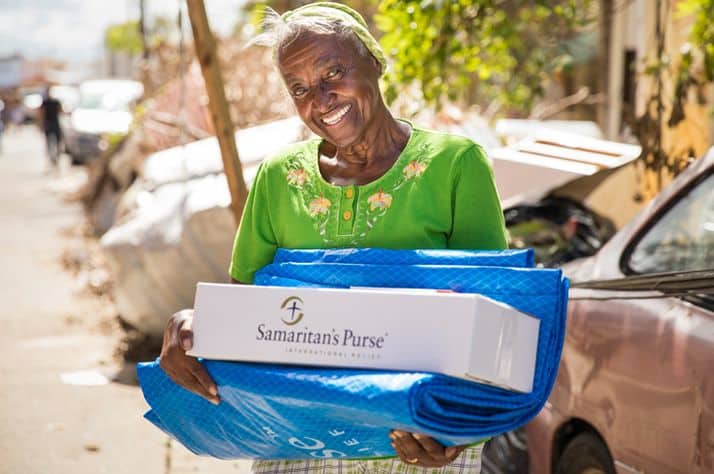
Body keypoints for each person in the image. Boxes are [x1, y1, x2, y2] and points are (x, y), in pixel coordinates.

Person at [159, 3, 507, 473]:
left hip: (422, 442)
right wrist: (192, 327)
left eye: (334, 72)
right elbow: (250, 316)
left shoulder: (454, 165)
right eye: (299, 88)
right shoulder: (280, 178)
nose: (320, 99)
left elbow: (492, 317)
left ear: (374, 61)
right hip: (302, 442)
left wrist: (458, 425)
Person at [39, 87, 63, 166]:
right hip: (51, 123)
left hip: (51, 123)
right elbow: (42, 113)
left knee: (55, 141)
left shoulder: (53, 102)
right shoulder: (48, 102)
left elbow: (41, 113)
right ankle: (53, 156)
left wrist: (41, 124)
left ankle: (54, 156)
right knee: (53, 141)